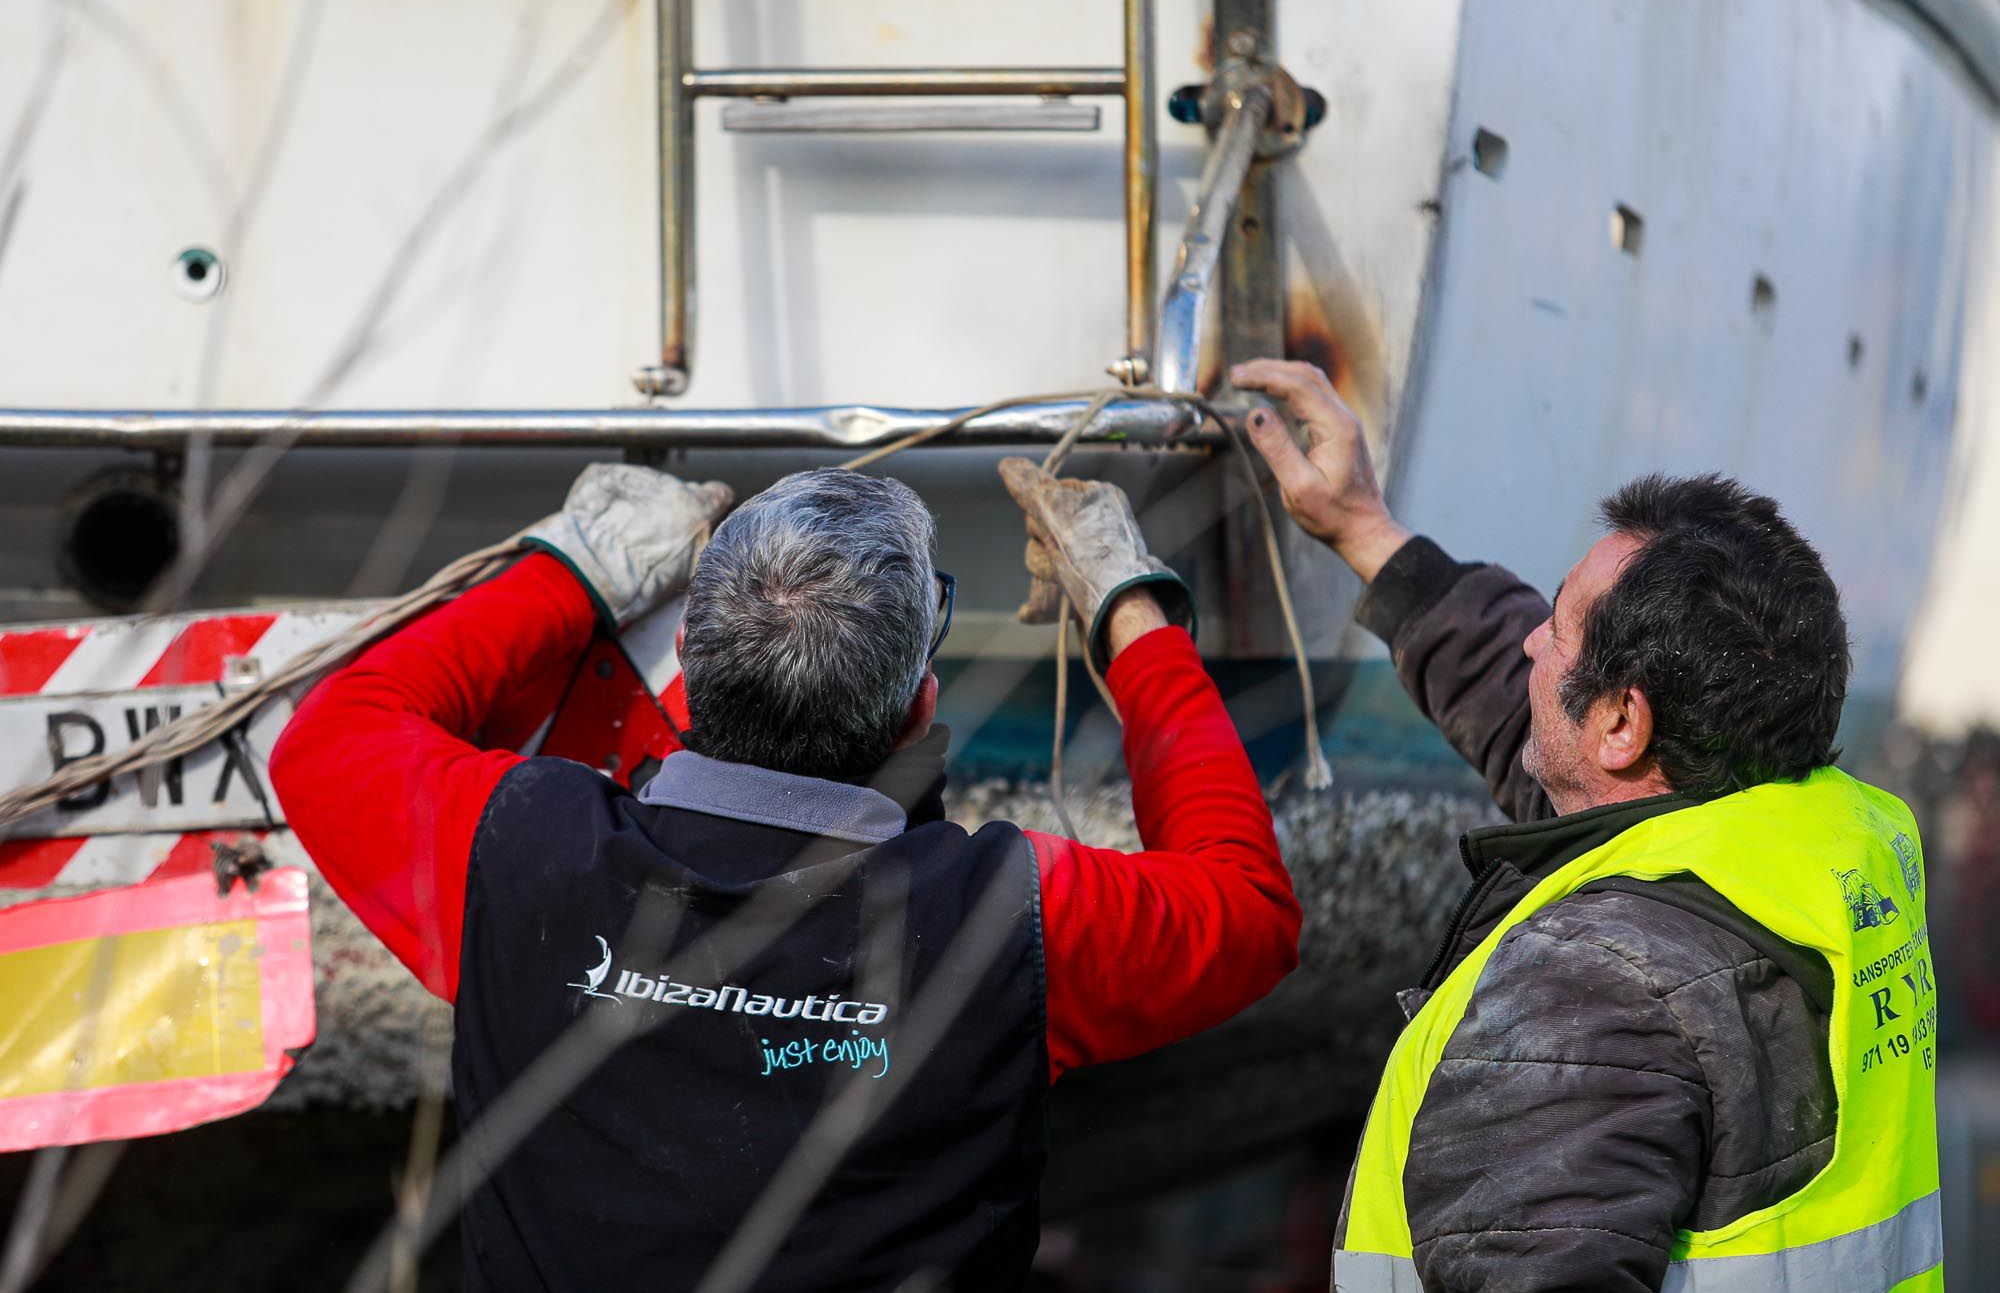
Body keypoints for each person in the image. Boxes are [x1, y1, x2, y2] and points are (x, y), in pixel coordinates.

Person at [270, 461, 1299, 1292]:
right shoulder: (1010, 917)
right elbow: (1244, 903)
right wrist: (1127, 610)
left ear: (689, 653)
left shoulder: (524, 848)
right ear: (915, 711)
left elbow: (328, 739)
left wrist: (577, 568)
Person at [1231, 358, 1942, 1292]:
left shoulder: (1585, 1003)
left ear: (1621, 725)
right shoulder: (1811, 846)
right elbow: (1532, 711)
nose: (1531, 639)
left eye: (1556, 626)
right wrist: (1366, 529)